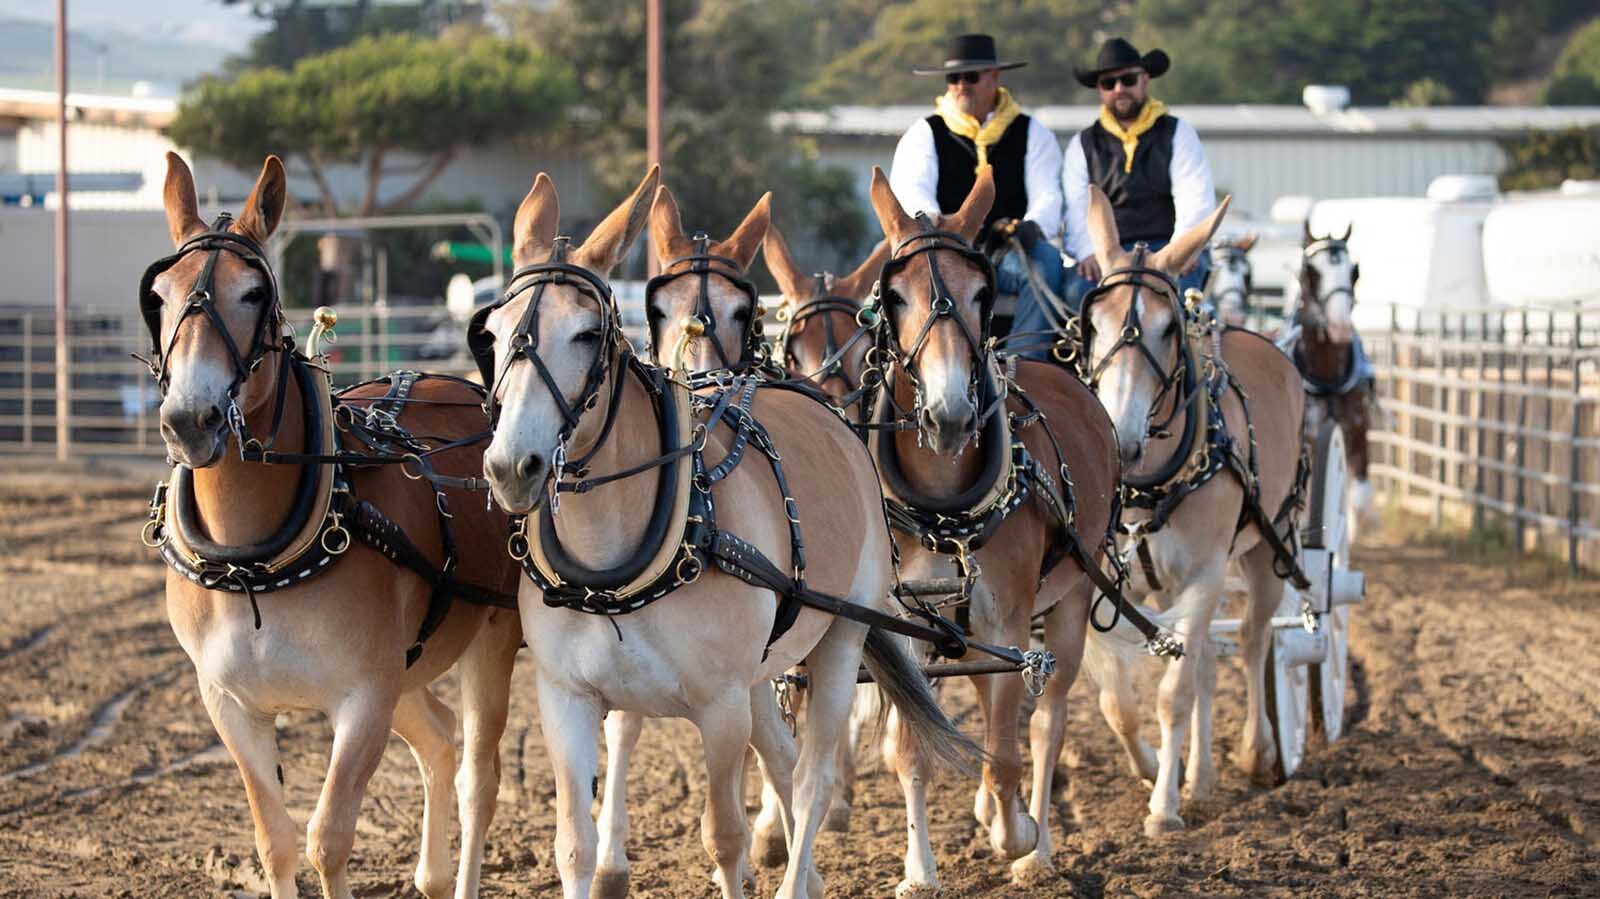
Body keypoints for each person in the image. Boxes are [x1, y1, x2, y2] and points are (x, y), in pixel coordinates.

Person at [888, 33, 1068, 358]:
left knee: (1046, 264)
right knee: (887, 271)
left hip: (1007, 253)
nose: (961, 85)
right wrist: (932, 218)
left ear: (994, 78)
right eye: (953, 78)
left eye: (970, 77)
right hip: (942, 251)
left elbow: (1048, 196)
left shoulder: (1033, 133)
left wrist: (1030, 225)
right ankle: (900, 366)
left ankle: (1024, 365)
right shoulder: (924, 133)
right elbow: (913, 190)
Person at [1062, 38, 1216, 308]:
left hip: (1166, 244)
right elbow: (1077, 209)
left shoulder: (1177, 133)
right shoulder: (1083, 144)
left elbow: (1195, 197)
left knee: (1180, 296)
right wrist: (1088, 252)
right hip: (1109, 252)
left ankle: (1188, 350)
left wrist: (1182, 249)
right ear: (1100, 89)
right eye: (1109, 83)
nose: (1119, 89)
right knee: (1078, 293)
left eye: (1128, 80)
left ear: (1144, 79)